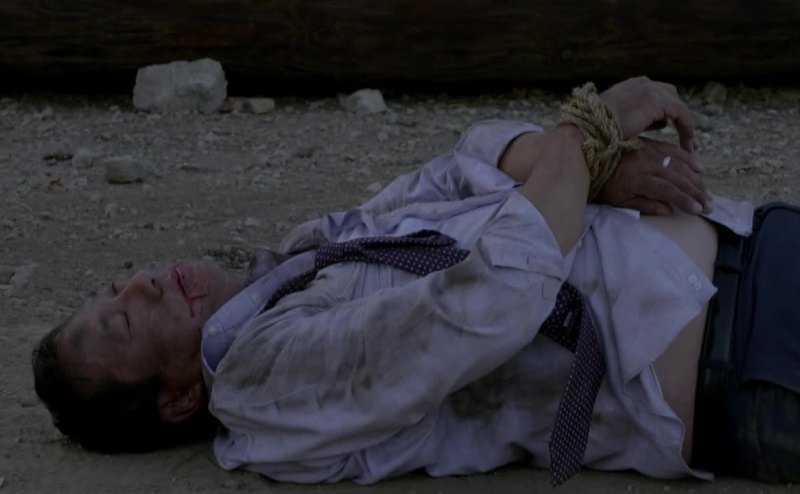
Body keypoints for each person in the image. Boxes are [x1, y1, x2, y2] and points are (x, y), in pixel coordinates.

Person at [31, 77, 800, 485]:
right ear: (176, 400)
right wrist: (585, 132)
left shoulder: (300, 260)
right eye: (125, 321)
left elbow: (455, 168)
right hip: (746, 360)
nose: (141, 285)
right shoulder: (267, 386)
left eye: (115, 288)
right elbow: (492, 300)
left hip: (756, 242)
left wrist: (585, 165)